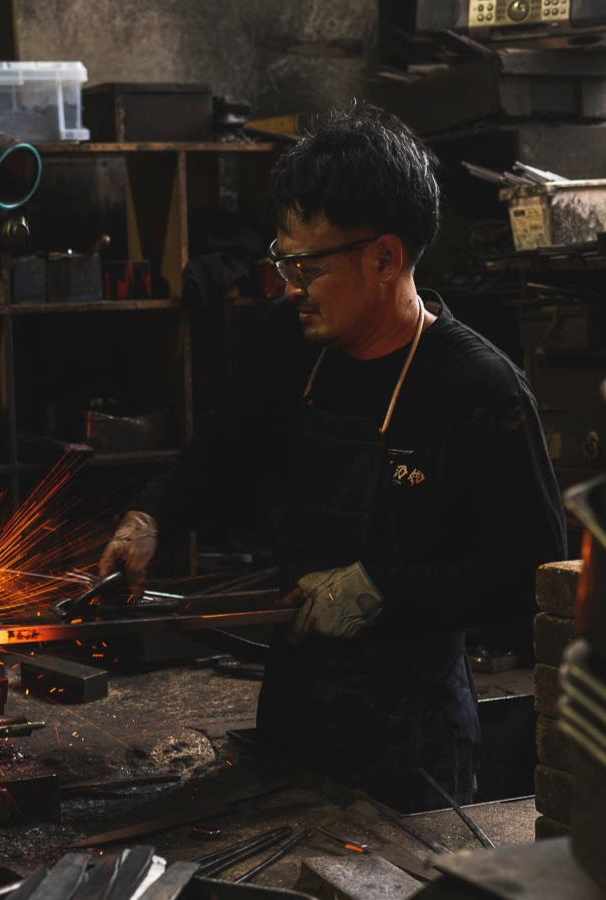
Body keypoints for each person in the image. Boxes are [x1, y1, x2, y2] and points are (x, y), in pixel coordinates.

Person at [97, 104, 567, 811]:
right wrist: (151, 515)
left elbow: (528, 572)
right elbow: (223, 451)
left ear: (383, 257)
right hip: (293, 717)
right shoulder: (288, 343)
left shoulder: (477, 389)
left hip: (413, 748)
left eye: (304, 265)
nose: (288, 284)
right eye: (281, 259)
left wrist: (383, 589)